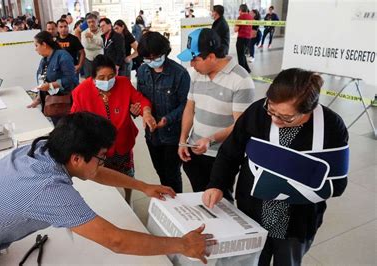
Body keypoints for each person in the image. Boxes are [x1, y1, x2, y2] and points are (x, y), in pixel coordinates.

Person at [0, 112, 216, 264]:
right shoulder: (47, 189)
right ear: (77, 157)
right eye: (101, 157)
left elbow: (93, 173)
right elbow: (116, 241)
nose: (102, 163)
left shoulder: (40, 149)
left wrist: (142, 185)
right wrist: (182, 245)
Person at [202, 68, 349, 266]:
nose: (275, 120)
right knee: (251, 261)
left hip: (297, 220)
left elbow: (337, 184)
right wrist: (217, 184)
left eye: (286, 117)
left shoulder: (331, 126)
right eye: (272, 110)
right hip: (252, 211)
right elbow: (230, 152)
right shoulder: (258, 111)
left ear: (308, 110)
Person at [177, 28, 255, 192]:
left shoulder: (241, 81)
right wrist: (183, 140)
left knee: (220, 200)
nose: (191, 64)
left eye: (195, 59)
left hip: (222, 155)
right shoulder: (195, 74)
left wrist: (210, 139)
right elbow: (190, 108)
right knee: (199, 193)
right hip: (194, 151)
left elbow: (240, 125)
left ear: (211, 57)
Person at [71, 55, 156, 203]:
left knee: (127, 176)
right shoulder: (81, 92)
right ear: (92, 78)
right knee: (102, 179)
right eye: (101, 77)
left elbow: (141, 100)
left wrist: (146, 113)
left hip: (122, 143)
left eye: (111, 76)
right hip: (98, 148)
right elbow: (75, 120)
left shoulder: (123, 83)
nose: (107, 81)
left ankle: (128, 199)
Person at [135, 32, 190, 193]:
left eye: (155, 57)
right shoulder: (143, 71)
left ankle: (177, 204)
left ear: (164, 52)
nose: (151, 61)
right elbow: (140, 98)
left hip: (172, 135)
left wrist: (167, 119)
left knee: (172, 175)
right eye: (147, 58)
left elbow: (186, 105)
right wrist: (140, 111)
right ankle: (167, 201)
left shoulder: (179, 73)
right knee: (160, 171)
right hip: (152, 134)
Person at [27, 31, 78, 126]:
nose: (35, 49)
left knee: (66, 129)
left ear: (44, 44)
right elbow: (43, 79)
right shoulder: (44, 60)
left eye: (36, 45)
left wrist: (51, 85)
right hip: (51, 103)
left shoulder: (63, 56)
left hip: (64, 102)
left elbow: (70, 78)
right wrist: (38, 99)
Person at [81, 13, 104, 78]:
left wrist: (92, 37)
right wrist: (97, 45)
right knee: (89, 79)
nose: (91, 24)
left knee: (101, 78)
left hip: (101, 59)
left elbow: (103, 44)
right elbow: (86, 46)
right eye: (89, 22)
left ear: (97, 22)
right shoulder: (84, 33)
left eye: (93, 21)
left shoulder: (102, 31)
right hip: (88, 59)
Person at [235, 4, 253, 73]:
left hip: (241, 38)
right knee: (243, 55)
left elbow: (236, 29)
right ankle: (247, 69)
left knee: (240, 55)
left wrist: (235, 25)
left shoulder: (240, 17)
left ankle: (242, 72)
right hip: (248, 39)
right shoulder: (250, 17)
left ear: (240, 10)